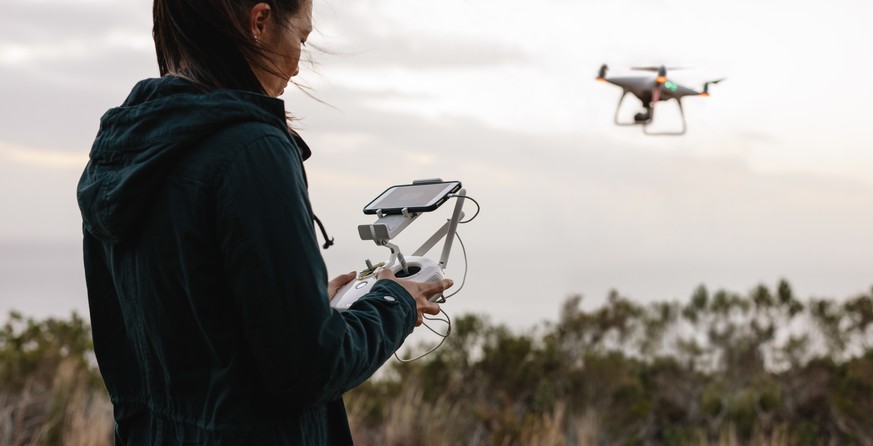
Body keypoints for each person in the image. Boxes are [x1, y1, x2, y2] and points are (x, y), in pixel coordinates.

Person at [76, 0, 452, 443]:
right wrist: (394, 302)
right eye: (302, 38)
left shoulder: (120, 158)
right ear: (260, 22)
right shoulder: (252, 150)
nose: (297, 67)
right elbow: (310, 369)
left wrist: (307, 309)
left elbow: (179, 337)